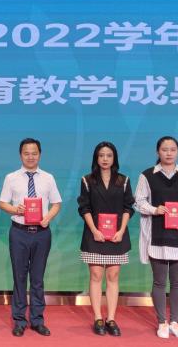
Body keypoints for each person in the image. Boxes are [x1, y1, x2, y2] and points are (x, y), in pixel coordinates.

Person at [135, 136, 178, 340]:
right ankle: (161, 322)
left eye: (173, 149)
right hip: (156, 236)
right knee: (159, 282)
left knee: (177, 283)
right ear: (158, 152)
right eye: (164, 149)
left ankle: (175, 322)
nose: (169, 153)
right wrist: (154, 209)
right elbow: (138, 201)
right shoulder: (147, 175)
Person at [0, 137, 62, 337]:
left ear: (40, 155)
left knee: (37, 278)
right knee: (19, 277)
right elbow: (2, 203)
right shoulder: (11, 178)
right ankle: (19, 320)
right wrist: (15, 209)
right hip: (19, 232)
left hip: (42, 233)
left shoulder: (48, 178)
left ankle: (37, 320)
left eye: (34, 153)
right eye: (26, 153)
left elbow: (56, 203)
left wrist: (48, 217)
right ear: (21, 155)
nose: (30, 157)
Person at [77, 141, 134, 336]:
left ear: (114, 158)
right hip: (94, 235)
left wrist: (121, 230)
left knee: (113, 276)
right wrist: (94, 230)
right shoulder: (87, 180)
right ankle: (97, 318)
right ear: (96, 158)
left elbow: (128, 207)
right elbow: (84, 207)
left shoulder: (123, 180)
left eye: (109, 155)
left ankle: (111, 318)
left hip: (117, 235)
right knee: (95, 275)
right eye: (101, 155)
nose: (105, 159)